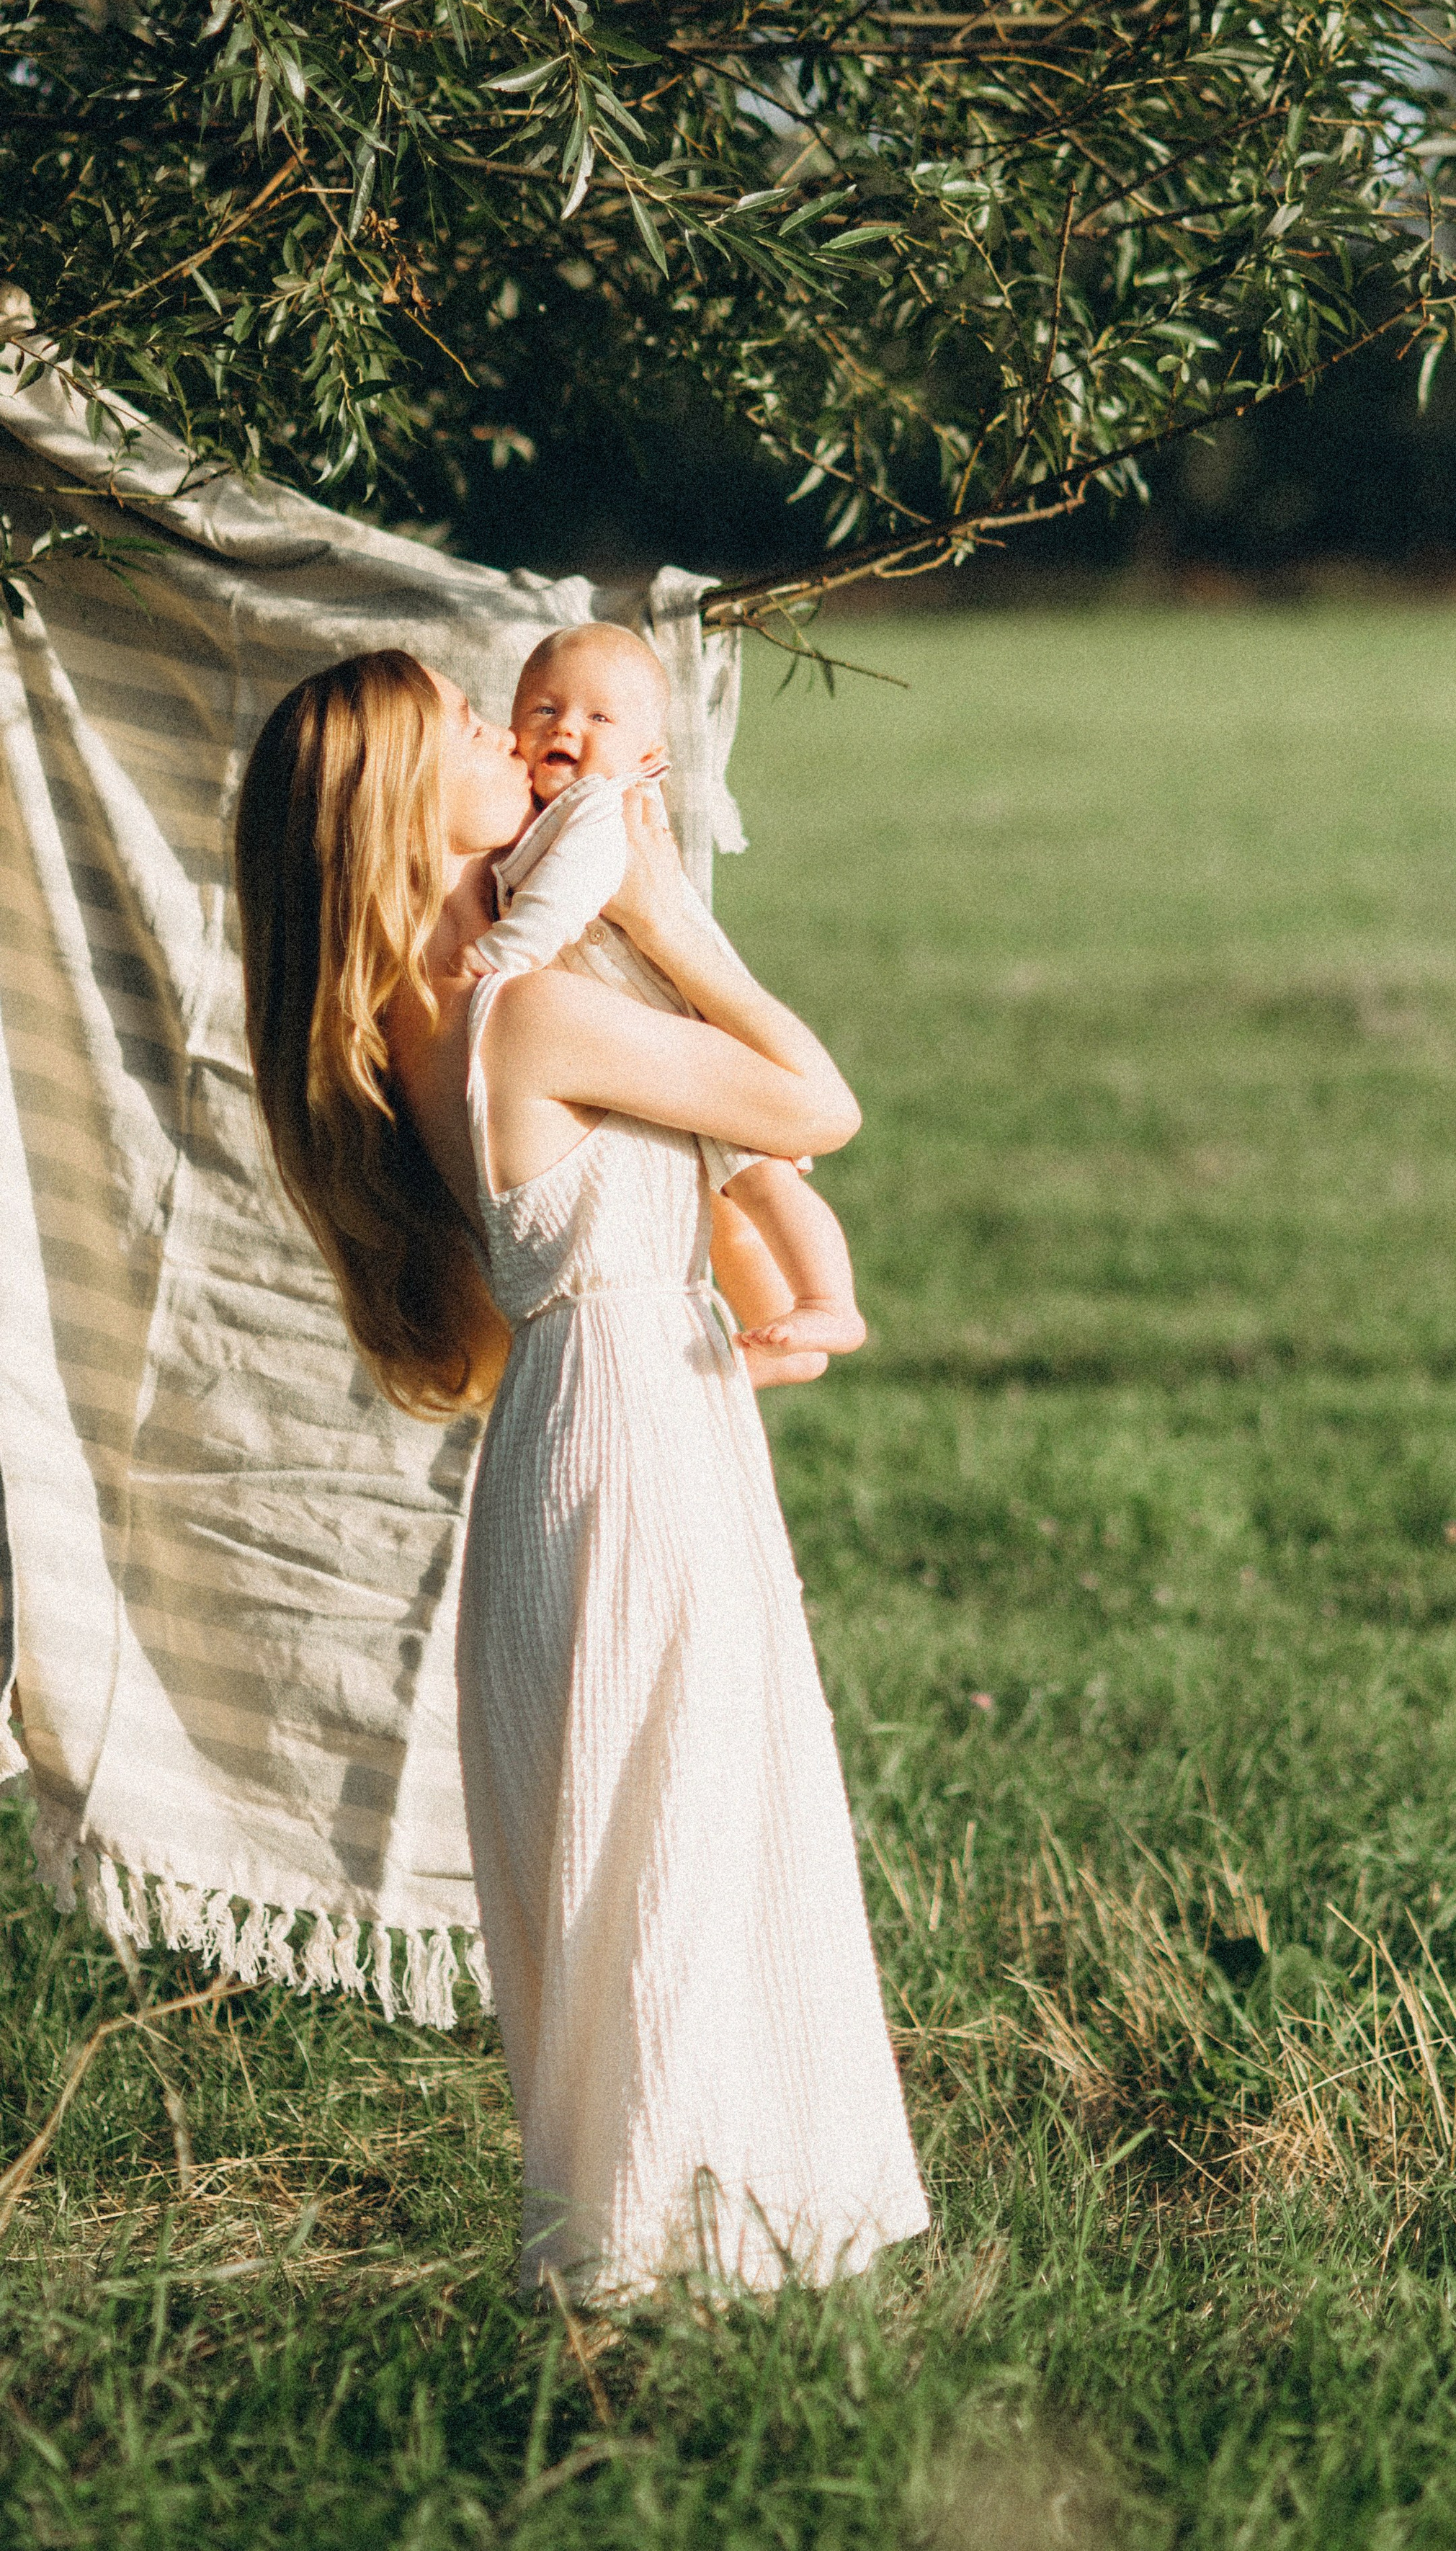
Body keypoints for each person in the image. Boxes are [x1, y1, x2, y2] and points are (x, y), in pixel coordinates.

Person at [234, 647, 929, 2303]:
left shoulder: (406, 1021)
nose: (509, 732)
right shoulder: (527, 1008)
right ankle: (667, 2269)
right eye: (470, 729)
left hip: (588, 1427)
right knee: (672, 1824)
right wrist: (677, 919)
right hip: (627, 1451)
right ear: (409, 804)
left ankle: (680, 2252)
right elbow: (814, 1104)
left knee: (635, 1842)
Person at [459, 623, 866, 1389]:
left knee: (764, 1180)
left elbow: (570, 895)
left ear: (649, 757)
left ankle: (828, 1301)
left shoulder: (597, 809)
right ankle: (789, 1343)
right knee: (727, 1217)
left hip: (683, 1028)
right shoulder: (530, 824)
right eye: (542, 711)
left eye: (599, 718)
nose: (566, 728)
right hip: (639, 1045)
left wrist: (506, 953)